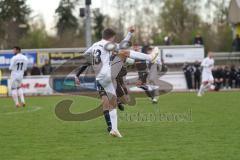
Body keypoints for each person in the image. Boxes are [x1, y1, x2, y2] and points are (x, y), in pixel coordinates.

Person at [75, 28, 160, 138]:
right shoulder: (107, 44)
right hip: (108, 73)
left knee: (113, 102)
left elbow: (85, 54)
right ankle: (150, 57)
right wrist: (130, 33)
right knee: (123, 52)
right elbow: (122, 45)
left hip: (100, 77)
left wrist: (95, 61)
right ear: (111, 37)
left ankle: (114, 130)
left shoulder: (95, 45)